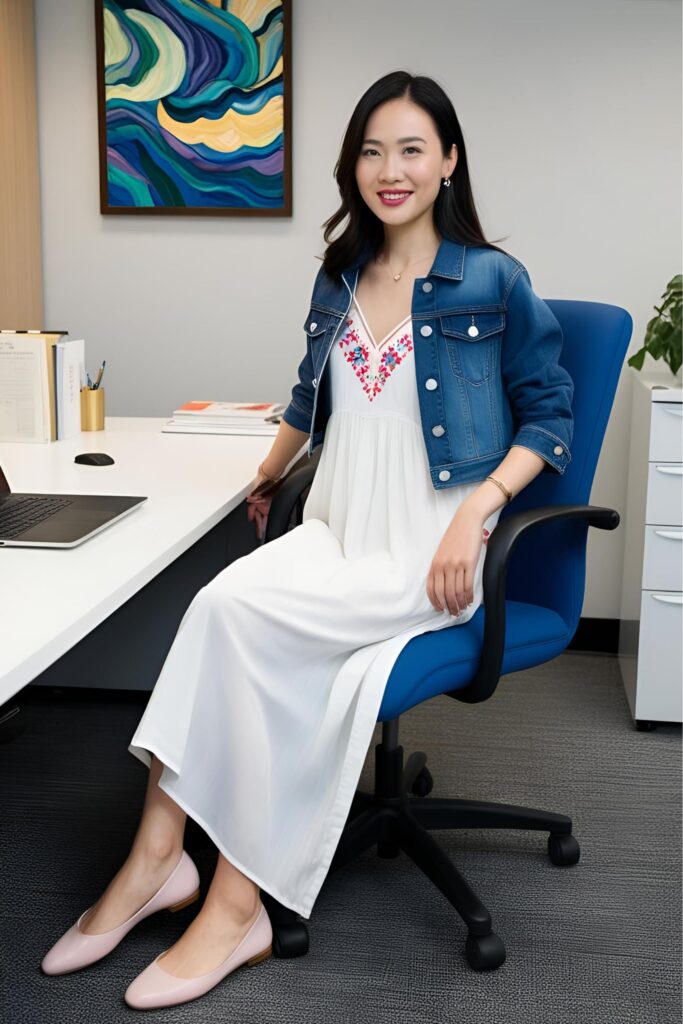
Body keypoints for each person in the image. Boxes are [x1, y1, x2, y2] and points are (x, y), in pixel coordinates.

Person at [40, 70, 573, 1009]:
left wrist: (472, 513)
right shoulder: (340, 273)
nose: (389, 169)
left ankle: (236, 902)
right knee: (218, 604)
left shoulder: (493, 277)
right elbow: (306, 398)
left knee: (267, 641)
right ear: (352, 167)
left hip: (426, 548)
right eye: (371, 150)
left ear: (448, 161)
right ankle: (157, 858)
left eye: (411, 149)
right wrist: (264, 473)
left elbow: (550, 417)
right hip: (335, 526)